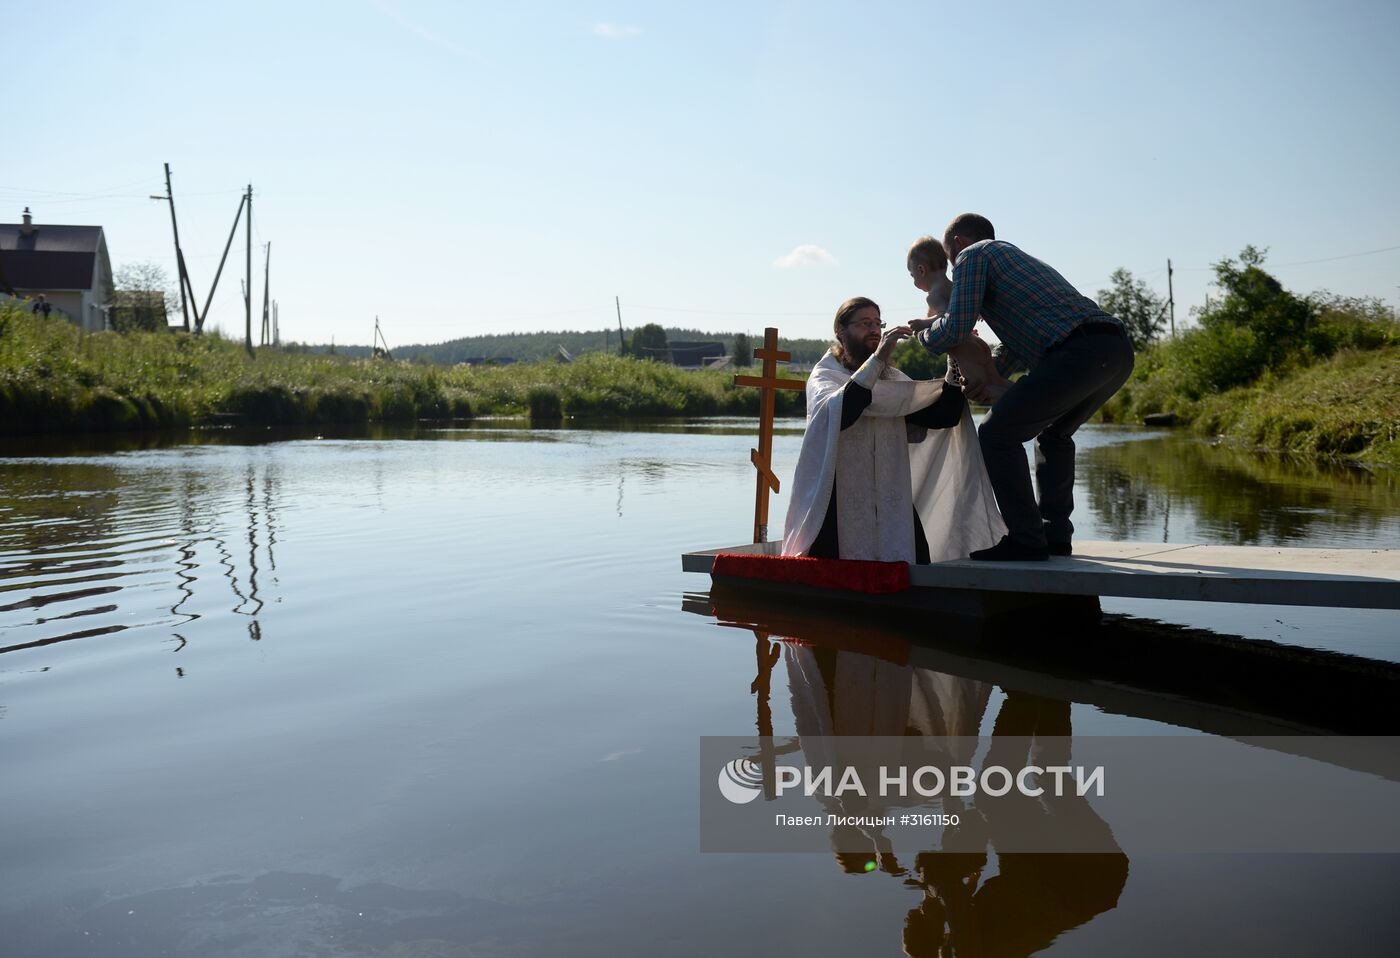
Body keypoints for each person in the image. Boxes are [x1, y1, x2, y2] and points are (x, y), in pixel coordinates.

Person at [911, 214, 1134, 561]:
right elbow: (1015, 348)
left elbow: (955, 328)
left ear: (956, 244)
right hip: (1115, 351)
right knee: (1055, 434)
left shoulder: (974, 255)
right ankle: (1054, 535)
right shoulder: (1013, 265)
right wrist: (987, 377)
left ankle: (1027, 539)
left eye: (949, 258)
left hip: (1078, 352)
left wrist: (922, 333)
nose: (953, 271)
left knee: (997, 435)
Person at [782, 296, 1005, 564]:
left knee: (916, 559)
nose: (875, 330)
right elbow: (844, 411)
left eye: (878, 323)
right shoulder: (825, 376)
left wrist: (954, 355)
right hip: (835, 503)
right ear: (841, 331)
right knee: (832, 566)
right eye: (865, 323)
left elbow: (944, 415)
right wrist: (878, 359)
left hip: (889, 497)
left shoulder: (893, 381)